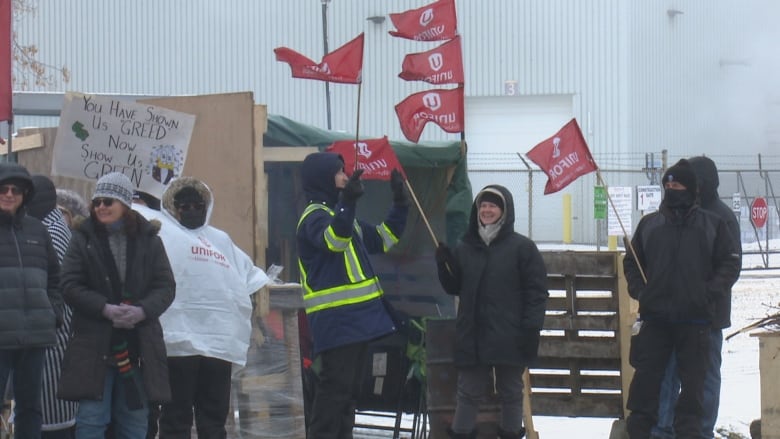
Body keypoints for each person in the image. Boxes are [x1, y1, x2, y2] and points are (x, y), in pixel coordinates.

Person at [136, 177, 269, 439]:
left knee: (213, 419)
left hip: (218, 345)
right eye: (183, 206)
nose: (191, 210)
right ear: (173, 207)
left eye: (198, 205)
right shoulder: (162, 232)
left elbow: (252, 278)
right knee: (176, 418)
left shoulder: (220, 240)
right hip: (178, 343)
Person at [623, 159, 741, 438]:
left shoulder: (714, 222)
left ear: (692, 188)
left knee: (696, 389)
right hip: (656, 321)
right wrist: (642, 292)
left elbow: (730, 263)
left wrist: (707, 293)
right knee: (650, 386)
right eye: (667, 184)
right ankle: (655, 432)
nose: (671, 189)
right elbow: (632, 262)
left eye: (677, 184)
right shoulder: (650, 224)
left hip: (698, 321)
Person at [296, 152, 408, 439]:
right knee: (334, 391)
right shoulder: (314, 217)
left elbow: (384, 239)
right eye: (339, 172)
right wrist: (347, 203)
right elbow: (334, 241)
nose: (346, 177)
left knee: (347, 394)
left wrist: (400, 202)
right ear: (323, 179)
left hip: (356, 322)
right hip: (337, 322)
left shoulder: (342, 216)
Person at [57, 172, 176, 439]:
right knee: (91, 420)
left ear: (124, 204)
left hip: (139, 345)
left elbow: (166, 286)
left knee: (135, 421)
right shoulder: (82, 238)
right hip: (94, 344)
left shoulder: (149, 240)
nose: (101, 207)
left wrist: (142, 311)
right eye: (97, 201)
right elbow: (69, 284)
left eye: (108, 201)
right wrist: (104, 308)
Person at [434, 185, 548, 439]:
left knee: (510, 391)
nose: (486, 210)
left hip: (510, 335)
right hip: (472, 334)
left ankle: (509, 434)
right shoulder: (465, 247)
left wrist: (531, 329)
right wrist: (443, 265)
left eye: (493, 205)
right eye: (483, 205)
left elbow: (537, 293)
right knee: (467, 391)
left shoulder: (523, 248)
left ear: (504, 211)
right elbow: (455, 286)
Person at [0, 163, 64, 439]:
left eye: (16, 189)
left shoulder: (38, 230)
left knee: (30, 408)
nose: (9, 194)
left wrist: (54, 312)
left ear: (25, 194)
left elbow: (55, 278)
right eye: (3, 188)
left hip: (35, 333)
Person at [27, 175, 78, 439]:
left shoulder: (49, 232)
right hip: (51, 336)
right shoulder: (52, 226)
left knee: (52, 422)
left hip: (51, 339)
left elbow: (52, 287)